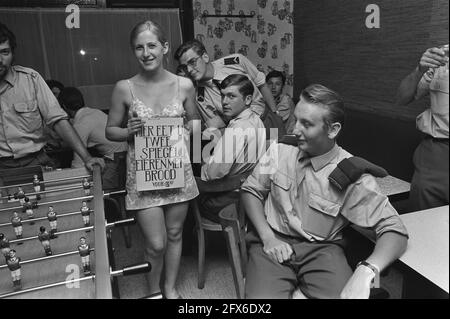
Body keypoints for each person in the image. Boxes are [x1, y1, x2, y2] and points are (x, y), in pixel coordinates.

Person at [240, 84, 408, 299]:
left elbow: (395, 230)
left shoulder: (351, 174)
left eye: (306, 124)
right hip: (274, 240)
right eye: (296, 119)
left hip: (322, 249)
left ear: (332, 130)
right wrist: (267, 237)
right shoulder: (278, 149)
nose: (294, 130)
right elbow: (250, 191)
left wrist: (367, 270)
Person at [106, 20, 200, 299]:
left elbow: (195, 122)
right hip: (144, 175)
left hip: (177, 172)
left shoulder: (184, 85)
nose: (146, 53)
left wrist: (187, 130)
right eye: (139, 47)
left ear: (164, 47)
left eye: (152, 45)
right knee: (156, 243)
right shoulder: (124, 88)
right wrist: (127, 130)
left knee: (174, 234)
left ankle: (169, 289)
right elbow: (110, 130)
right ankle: (152, 290)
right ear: (133, 51)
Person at [0, 22, 104, 171]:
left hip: (35, 162)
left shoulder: (31, 79)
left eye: (5, 52)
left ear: (13, 53)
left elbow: (58, 121)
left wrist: (87, 158)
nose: (0, 59)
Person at [174, 39, 284, 139]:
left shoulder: (236, 62)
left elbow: (262, 84)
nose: (189, 70)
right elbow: (217, 125)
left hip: (267, 119)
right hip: (244, 133)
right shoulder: (199, 96)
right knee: (259, 160)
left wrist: (276, 113)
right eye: (184, 67)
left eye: (192, 62)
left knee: (280, 157)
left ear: (205, 57)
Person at [198, 74, 266, 222]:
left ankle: (199, 243)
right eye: (223, 96)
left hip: (230, 200)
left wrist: (205, 161)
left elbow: (213, 174)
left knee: (189, 201)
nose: (224, 102)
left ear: (248, 99)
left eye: (231, 96)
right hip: (250, 193)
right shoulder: (257, 120)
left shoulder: (237, 128)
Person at [396, 44, 449, 211]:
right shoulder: (441, 58)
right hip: (436, 155)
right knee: (425, 224)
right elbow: (402, 98)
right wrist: (419, 69)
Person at [58, 87, 128, 190]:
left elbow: (79, 163)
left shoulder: (81, 123)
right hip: (124, 156)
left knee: (103, 195)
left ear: (63, 107)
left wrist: (69, 183)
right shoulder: (94, 112)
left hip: (115, 161)